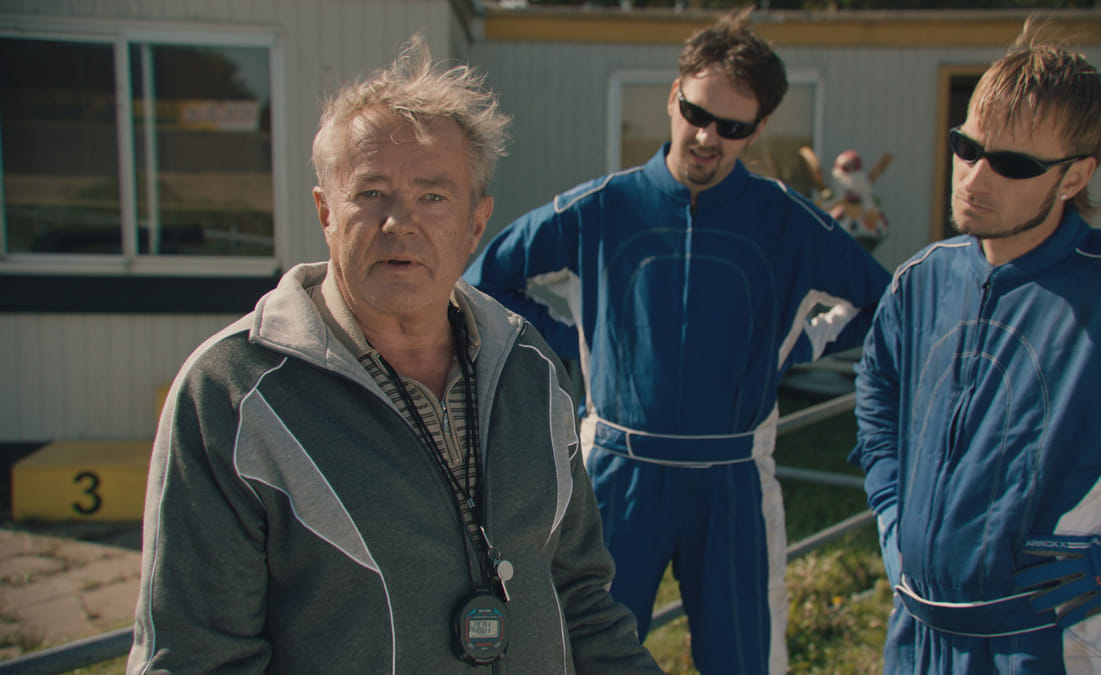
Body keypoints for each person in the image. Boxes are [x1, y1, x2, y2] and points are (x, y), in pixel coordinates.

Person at [128, 35, 664, 674]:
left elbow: (581, 600)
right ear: (326, 212)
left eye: (433, 196)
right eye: (371, 192)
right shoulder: (233, 392)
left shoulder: (529, 368)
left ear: (477, 222)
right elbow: (197, 657)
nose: (399, 222)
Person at [464, 8, 891, 673]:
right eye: (695, 112)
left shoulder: (788, 222)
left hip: (734, 478)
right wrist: (574, 339)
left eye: (732, 127)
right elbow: (484, 283)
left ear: (758, 129)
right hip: (617, 471)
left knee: (744, 659)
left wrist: (799, 346)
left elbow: (880, 303)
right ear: (673, 96)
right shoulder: (599, 209)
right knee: (586, 656)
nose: (706, 136)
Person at [849, 25, 1101, 674]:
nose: (975, 178)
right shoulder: (920, 280)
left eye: (1013, 164)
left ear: (1075, 176)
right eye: (967, 147)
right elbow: (878, 393)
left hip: (1057, 639)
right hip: (919, 634)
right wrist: (890, 507)